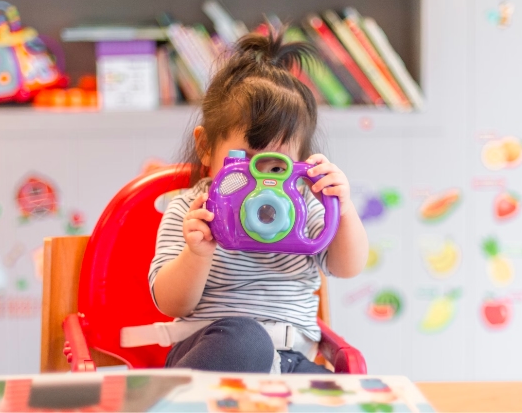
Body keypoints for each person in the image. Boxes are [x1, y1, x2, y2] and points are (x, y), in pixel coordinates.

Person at [148, 26, 368, 374]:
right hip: (217, 352)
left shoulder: (304, 207)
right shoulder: (192, 211)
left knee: (339, 397)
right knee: (246, 340)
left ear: (299, 162)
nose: (261, 180)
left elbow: (348, 266)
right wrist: (197, 253)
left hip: (292, 359)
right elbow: (169, 302)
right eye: (246, 160)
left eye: (275, 165)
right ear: (206, 147)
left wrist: (342, 207)